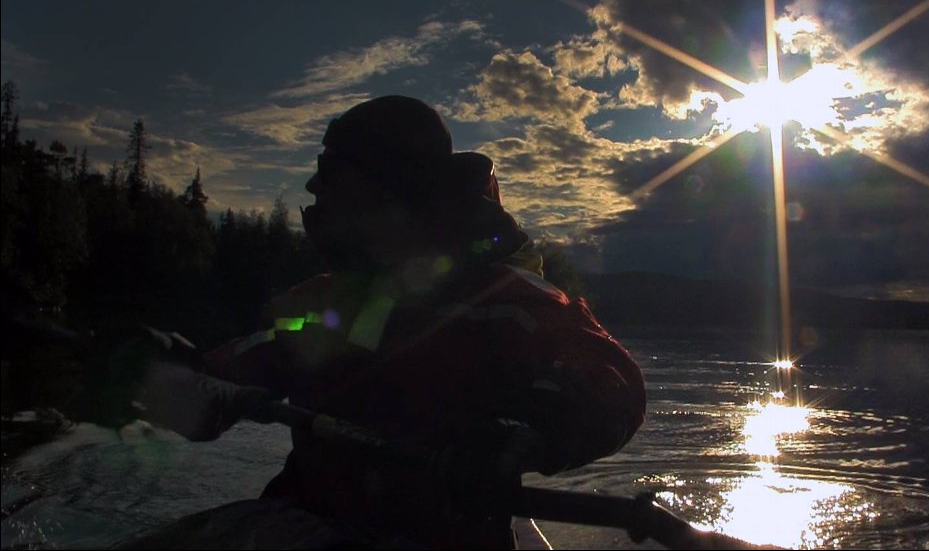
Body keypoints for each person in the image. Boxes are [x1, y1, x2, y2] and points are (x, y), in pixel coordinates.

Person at [128, 96, 647, 549]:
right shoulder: (322, 303)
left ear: (388, 190)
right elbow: (232, 374)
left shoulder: (503, 302)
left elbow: (610, 377)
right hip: (305, 523)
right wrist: (161, 373)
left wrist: (525, 430)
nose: (313, 186)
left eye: (331, 172)